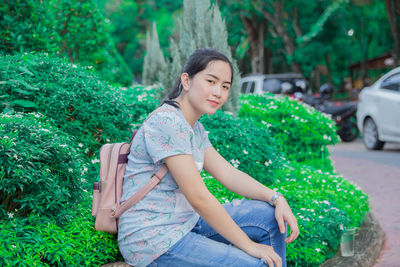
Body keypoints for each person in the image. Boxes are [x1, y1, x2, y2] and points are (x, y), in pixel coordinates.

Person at [118, 48, 299, 267]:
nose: (218, 93)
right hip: (154, 238)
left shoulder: (195, 129)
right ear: (186, 81)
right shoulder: (167, 122)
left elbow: (228, 174)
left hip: (186, 223)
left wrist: (276, 198)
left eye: (225, 86)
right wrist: (249, 246)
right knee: (256, 264)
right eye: (211, 81)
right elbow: (199, 198)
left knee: (270, 218)